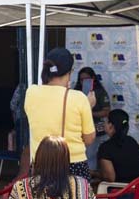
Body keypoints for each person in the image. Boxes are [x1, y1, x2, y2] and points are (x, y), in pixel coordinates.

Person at [24, 47, 96, 179]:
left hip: (41, 162)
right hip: (73, 163)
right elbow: (89, 138)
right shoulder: (79, 98)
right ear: (69, 72)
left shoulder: (31, 93)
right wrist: (88, 106)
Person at [96, 109, 139, 184]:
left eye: (105, 122)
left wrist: (93, 173)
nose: (104, 124)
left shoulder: (105, 148)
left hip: (123, 191)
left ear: (111, 126)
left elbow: (109, 178)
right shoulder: (131, 141)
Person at [75, 67, 110, 171]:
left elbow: (106, 111)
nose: (84, 82)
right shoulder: (76, 92)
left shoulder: (99, 92)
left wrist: (89, 112)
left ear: (93, 78)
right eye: (82, 80)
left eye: (87, 79)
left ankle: (91, 180)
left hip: (96, 130)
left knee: (91, 157)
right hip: (79, 132)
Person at [9, 82, 30, 177]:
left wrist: (15, 118)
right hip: (34, 120)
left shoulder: (22, 86)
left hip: (20, 119)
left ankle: (20, 171)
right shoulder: (42, 85)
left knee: (21, 147)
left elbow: (13, 104)